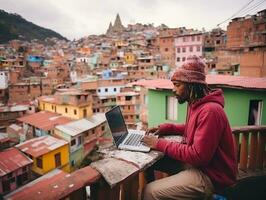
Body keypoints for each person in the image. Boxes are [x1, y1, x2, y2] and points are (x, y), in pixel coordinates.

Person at [142, 55, 237, 200]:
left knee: (150, 191)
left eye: (178, 85)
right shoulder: (197, 104)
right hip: (203, 167)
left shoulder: (210, 111)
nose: (173, 90)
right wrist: (168, 128)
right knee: (154, 162)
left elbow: (198, 156)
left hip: (212, 176)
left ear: (191, 84)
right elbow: (195, 128)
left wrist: (159, 143)